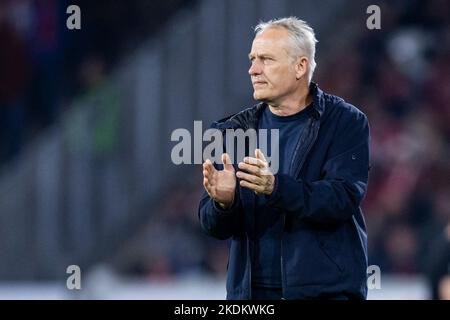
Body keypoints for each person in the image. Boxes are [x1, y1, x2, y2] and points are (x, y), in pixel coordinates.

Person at [198, 17, 371, 300]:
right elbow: (212, 226)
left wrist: (275, 188)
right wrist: (223, 203)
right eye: (253, 59)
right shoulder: (230, 132)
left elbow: (342, 198)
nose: (253, 69)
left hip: (325, 294)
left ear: (300, 67)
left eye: (266, 59)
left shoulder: (346, 122)